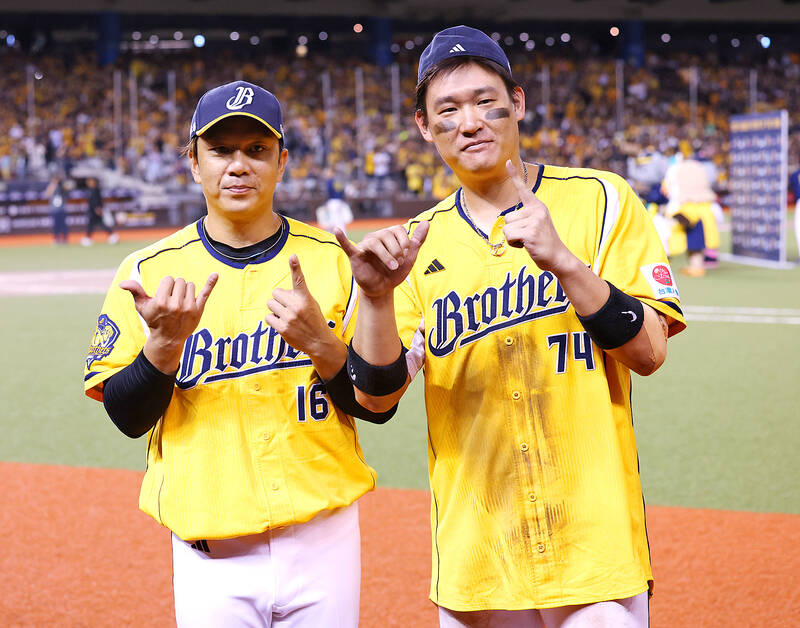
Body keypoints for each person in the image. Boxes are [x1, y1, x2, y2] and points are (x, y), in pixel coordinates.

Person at [335, 26, 686, 628]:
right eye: (447, 109)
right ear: (424, 126)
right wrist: (374, 298)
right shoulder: (416, 244)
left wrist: (566, 263)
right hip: (479, 560)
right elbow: (374, 398)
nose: (469, 122)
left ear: (517, 102)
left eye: (484, 101)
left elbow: (650, 352)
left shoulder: (601, 199)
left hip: (594, 550)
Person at [83, 80, 394, 627]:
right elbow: (126, 417)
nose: (238, 166)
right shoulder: (148, 271)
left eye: (256, 150)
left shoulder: (333, 260)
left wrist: (322, 345)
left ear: (281, 162)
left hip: (325, 536)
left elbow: (376, 404)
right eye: (221, 150)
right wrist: (162, 348)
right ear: (193, 163)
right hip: (210, 552)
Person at [662, 159, 721, 276]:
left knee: (695, 247)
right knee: (693, 247)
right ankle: (695, 265)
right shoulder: (704, 203)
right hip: (695, 225)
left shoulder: (691, 204)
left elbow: (686, 216)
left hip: (694, 226)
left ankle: (696, 266)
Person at [81, 177, 119, 246]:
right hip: (92, 210)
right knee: (97, 224)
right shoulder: (89, 190)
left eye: (90, 181)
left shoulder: (96, 190)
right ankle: (111, 235)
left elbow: (98, 200)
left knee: (94, 224)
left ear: (94, 182)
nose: (89, 182)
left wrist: (98, 208)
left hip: (95, 210)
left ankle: (88, 238)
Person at [45, 174, 68, 244]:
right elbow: (47, 194)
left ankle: (64, 238)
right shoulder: (52, 187)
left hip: (62, 209)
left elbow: (67, 191)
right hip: (54, 209)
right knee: (55, 225)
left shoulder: (62, 187)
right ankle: (56, 238)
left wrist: (61, 185)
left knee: (63, 224)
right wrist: (53, 185)